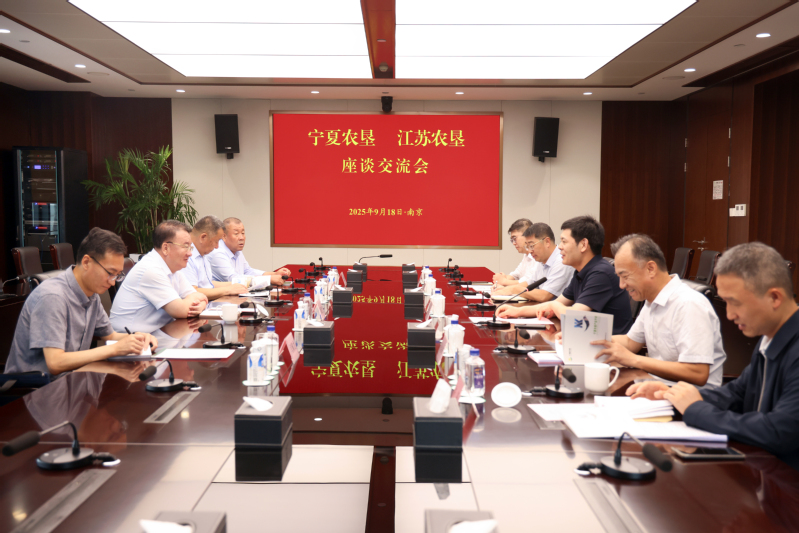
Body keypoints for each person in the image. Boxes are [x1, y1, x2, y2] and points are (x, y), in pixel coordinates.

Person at [628, 243, 799, 470]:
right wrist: (672, 396)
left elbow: (779, 431)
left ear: (774, 298)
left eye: (735, 302)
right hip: (764, 469)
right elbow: (736, 394)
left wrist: (696, 410)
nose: (729, 314)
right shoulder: (769, 339)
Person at [5, 228, 158, 376]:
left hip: (70, 378)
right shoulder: (53, 296)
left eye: (117, 275)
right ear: (86, 262)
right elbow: (55, 363)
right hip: (32, 387)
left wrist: (138, 338)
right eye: (110, 273)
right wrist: (115, 349)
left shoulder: (92, 294)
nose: (112, 282)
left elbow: (110, 336)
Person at [589, 234, 726, 387]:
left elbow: (698, 373)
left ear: (651, 269)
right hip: (657, 386)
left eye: (625, 276)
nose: (621, 285)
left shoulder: (689, 304)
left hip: (691, 397)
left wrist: (634, 360)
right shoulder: (652, 301)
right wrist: (583, 339)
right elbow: (630, 342)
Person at [497, 215, 633, 335]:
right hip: (586, 340)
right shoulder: (580, 272)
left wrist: (554, 307)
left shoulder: (600, 273)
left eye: (564, 241)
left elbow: (574, 316)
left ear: (583, 244)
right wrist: (516, 312)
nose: (560, 247)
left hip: (609, 349)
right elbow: (557, 303)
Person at [110, 220, 208, 333]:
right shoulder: (150, 269)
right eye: (185, 246)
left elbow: (198, 298)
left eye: (190, 247)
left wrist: (201, 304)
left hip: (157, 334)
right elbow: (181, 311)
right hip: (129, 339)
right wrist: (197, 301)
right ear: (166, 248)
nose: (190, 253)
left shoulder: (174, 269)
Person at [492, 222, 574, 302]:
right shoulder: (541, 260)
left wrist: (513, 289)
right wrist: (505, 289)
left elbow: (545, 296)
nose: (530, 251)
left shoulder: (561, 261)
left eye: (531, 246)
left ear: (547, 242)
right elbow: (529, 283)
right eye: (527, 247)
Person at [208, 217, 289, 286]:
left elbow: (247, 271)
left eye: (243, 233)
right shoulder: (217, 252)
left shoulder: (236, 249)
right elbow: (233, 279)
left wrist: (274, 274)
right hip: (218, 298)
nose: (241, 237)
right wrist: (268, 279)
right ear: (224, 236)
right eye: (236, 234)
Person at [183, 215, 248, 301]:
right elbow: (192, 291)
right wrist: (227, 290)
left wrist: (236, 285)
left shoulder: (202, 255)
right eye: (216, 241)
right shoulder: (187, 256)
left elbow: (208, 284)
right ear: (203, 237)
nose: (217, 246)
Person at [492, 218, 535, 287]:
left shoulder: (538, 256)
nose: (514, 243)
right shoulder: (526, 255)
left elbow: (528, 282)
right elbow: (516, 274)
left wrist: (504, 281)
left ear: (527, 236)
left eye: (515, 239)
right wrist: (503, 278)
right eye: (512, 240)